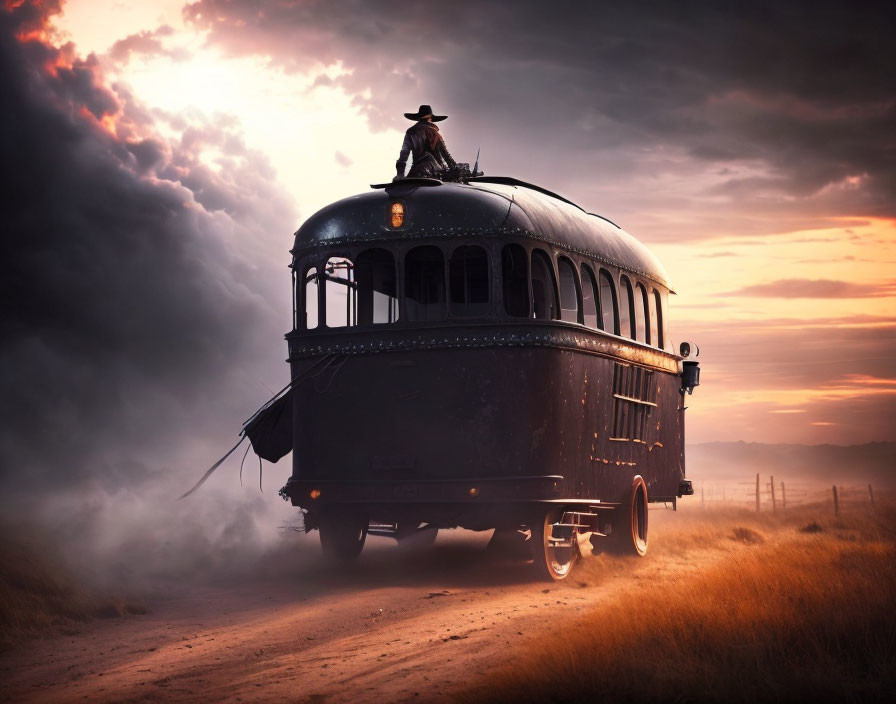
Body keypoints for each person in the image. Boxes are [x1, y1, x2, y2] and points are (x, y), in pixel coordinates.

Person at [395, 104, 456, 179]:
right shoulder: (436, 134)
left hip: (416, 171)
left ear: (419, 118)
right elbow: (446, 155)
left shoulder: (410, 132)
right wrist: (455, 170)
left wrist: (400, 176)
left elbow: (403, 156)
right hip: (435, 173)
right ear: (430, 118)